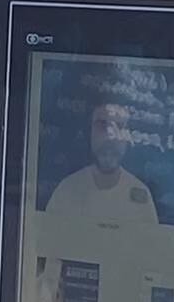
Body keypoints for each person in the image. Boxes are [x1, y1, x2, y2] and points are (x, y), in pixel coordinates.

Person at [42, 97, 161, 226]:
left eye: (119, 126)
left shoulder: (142, 195)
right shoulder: (66, 191)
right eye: (101, 125)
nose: (110, 135)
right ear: (90, 133)